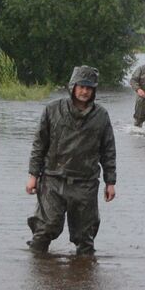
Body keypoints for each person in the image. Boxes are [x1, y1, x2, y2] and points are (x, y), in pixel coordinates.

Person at [25, 65, 116, 256]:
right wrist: (33, 175)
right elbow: (39, 144)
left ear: (94, 90)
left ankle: (83, 280)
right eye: (81, 86)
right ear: (72, 87)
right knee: (46, 228)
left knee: (85, 238)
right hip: (53, 179)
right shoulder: (52, 110)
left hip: (85, 183)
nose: (84, 91)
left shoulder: (101, 115)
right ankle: (37, 275)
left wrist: (110, 182)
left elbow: (108, 150)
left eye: (89, 88)